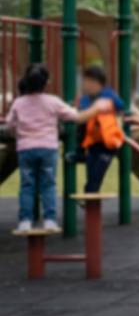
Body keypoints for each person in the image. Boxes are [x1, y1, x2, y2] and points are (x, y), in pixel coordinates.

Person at [5, 64, 104, 231]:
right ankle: (50, 219)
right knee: (48, 184)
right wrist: (95, 108)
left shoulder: (19, 103)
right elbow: (75, 116)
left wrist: (18, 135)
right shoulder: (52, 101)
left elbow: (9, 125)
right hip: (48, 148)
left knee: (27, 185)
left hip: (25, 148)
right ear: (46, 83)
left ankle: (25, 221)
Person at [77, 65, 126, 194]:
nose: (84, 85)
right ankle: (90, 195)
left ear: (95, 83)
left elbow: (122, 108)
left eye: (86, 82)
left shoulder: (108, 94)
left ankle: (90, 193)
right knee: (91, 171)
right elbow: (82, 113)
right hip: (92, 143)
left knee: (97, 174)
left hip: (108, 144)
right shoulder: (85, 98)